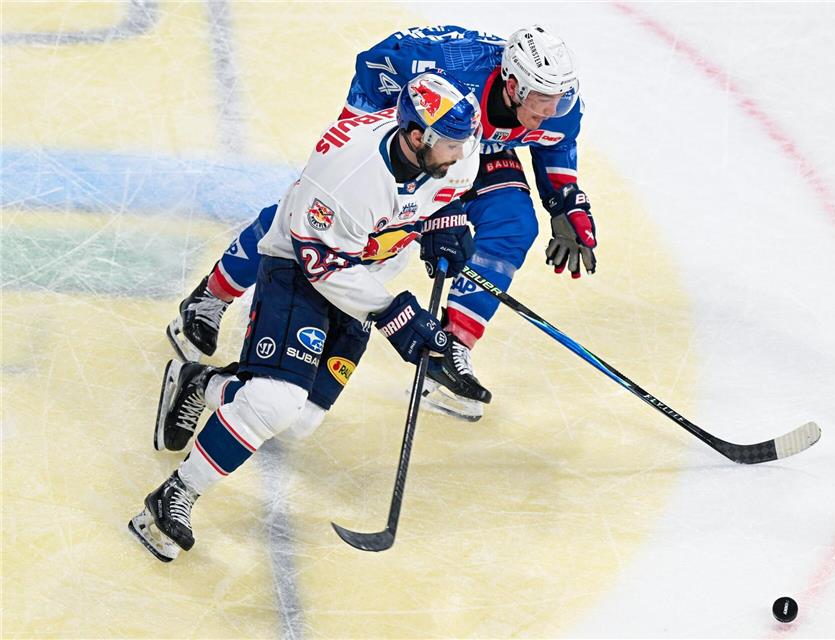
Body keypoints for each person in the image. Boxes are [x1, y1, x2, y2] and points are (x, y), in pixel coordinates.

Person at [129, 71, 482, 562]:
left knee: (298, 422)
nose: (463, 153)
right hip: (299, 264)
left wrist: (448, 224)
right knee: (275, 403)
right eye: (452, 144)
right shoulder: (345, 175)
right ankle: (173, 497)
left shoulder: (453, 145)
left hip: (363, 271)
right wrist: (394, 315)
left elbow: (453, 193)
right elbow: (324, 267)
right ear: (417, 136)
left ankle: (200, 383)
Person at [167, 25, 596, 421]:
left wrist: (566, 206)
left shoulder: (556, 106)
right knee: (316, 210)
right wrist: (359, 151)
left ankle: (447, 351)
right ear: (513, 84)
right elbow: (377, 62)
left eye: (559, 98)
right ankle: (210, 297)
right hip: (407, 121)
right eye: (542, 98)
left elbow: (555, 142)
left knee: (514, 223)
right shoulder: (443, 64)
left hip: (470, 147)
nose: (553, 108)